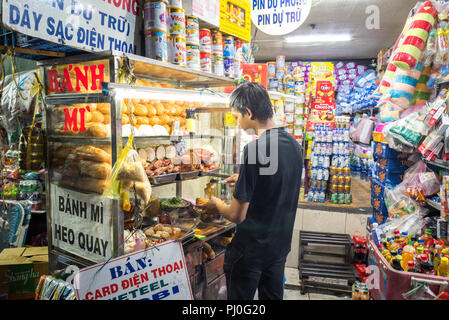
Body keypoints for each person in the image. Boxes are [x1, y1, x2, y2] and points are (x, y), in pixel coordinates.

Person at [198, 82, 303, 300]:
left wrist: (216, 204)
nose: (237, 123)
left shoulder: (254, 149)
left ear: (249, 113)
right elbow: (278, 183)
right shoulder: (294, 145)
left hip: (251, 251)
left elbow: (237, 215)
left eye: (237, 117)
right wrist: (244, 178)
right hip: (279, 248)